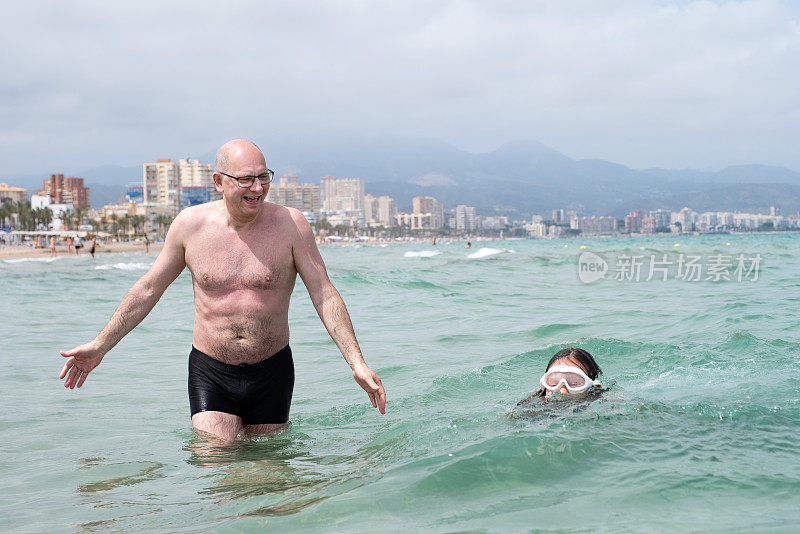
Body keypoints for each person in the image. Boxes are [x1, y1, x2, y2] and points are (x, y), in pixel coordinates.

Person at [59, 139, 387, 441]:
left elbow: (324, 293)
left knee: (269, 474)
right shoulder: (190, 226)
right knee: (216, 458)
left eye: (264, 177)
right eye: (246, 179)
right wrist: (101, 345)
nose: (257, 188)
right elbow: (148, 289)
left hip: (272, 369)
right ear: (219, 181)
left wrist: (356, 363)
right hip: (211, 369)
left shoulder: (290, 224)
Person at [517, 347, 603, 404]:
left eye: (574, 383)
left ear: (592, 384)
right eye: (554, 384)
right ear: (544, 386)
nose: (563, 391)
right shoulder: (528, 409)